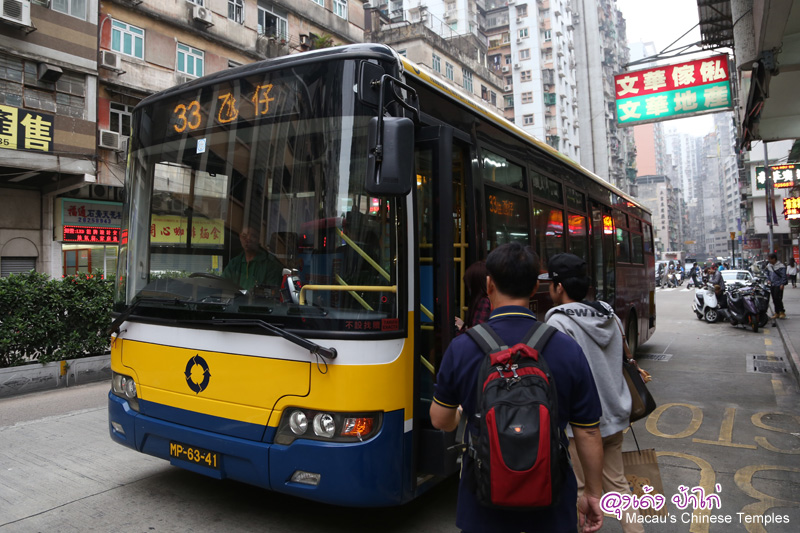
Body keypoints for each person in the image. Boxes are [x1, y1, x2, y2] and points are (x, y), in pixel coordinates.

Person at [430, 242, 605, 533]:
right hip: (552, 497)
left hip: (482, 499)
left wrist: (461, 415)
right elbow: (587, 429)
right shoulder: (565, 347)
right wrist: (593, 494)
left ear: (489, 284)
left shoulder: (462, 348)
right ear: (536, 285)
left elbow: (440, 420)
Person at [543, 254, 644, 533]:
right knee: (620, 487)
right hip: (615, 415)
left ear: (559, 287)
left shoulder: (558, 325)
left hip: (581, 426)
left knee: (581, 492)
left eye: (550, 284)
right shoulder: (609, 315)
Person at [222, 225, 284, 291]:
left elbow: (272, 294)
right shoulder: (234, 263)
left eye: (253, 236)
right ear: (240, 237)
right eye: (244, 236)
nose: (248, 239)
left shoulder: (271, 265)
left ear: (259, 240)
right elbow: (222, 285)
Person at [454, 260, 491, 334]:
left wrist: (460, 330)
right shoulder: (491, 299)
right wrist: (462, 324)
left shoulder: (484, 302)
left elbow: (476, 334)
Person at [766, 253, 788, 319]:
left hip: (779, 285)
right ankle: (777, 312)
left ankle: (782, 312)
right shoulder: (769, 266)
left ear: (774, 259)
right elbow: (768, 275)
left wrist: (782, 284)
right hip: (772, 284)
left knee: (778, 298)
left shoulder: (781, 266)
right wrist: (768, 280)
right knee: (774, 299)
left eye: (770, 259)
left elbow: (784, 276)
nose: (769, 260)